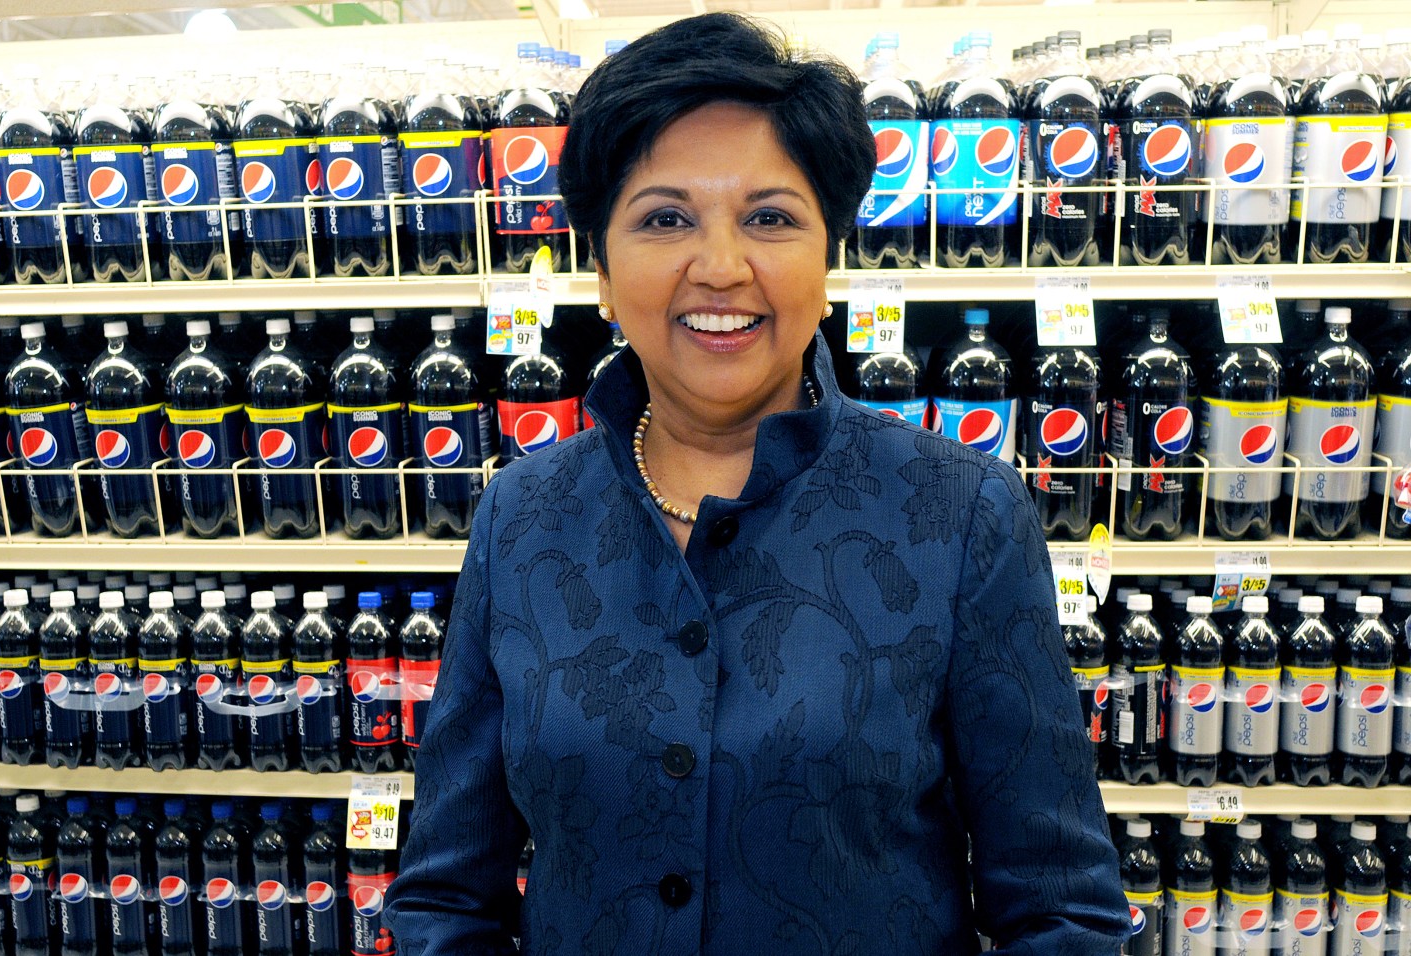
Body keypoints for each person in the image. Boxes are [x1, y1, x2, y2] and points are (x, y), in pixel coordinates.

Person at [385, 13, 1130, 955]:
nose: (721, 268)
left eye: (770, 218)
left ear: (829, 260)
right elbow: (446, 893)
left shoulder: (958, 512)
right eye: (664, 219)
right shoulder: (524, 515)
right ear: (602, 271)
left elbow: (1062, 909)